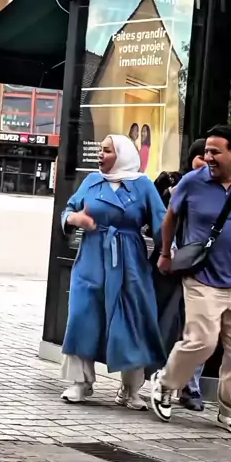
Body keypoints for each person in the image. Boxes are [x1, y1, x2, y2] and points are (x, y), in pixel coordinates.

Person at [150, 125, 231, 435]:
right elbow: (171, 217)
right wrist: (165, 252)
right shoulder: (192, 182)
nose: (208, 157)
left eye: (215, 152)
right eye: (206, 151)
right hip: (201, 277)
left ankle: (230, 411)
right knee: (201, 341)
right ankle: (165, 383)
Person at [60, 134, 167, 410]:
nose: (100, 154)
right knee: (82, 316)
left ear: (122, 155)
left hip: (129, 260)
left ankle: (131, 389)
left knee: (131, 319)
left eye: (107, 151)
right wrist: (74, 219)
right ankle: (80, 382)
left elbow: (161, 221)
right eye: (100, 150)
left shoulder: (143, 184)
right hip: (92, 257)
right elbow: (68, 210)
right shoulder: (91, 180)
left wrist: (169, 252)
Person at [151, 139, 207, 412]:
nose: (206, 161)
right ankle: (161, 377)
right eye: (201, 156)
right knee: (168, 324)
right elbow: (156, 218)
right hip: (171, 266)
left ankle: (189, 386)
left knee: (199, 329)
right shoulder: (174, 182)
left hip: (202, 267)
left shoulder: (219, 190)